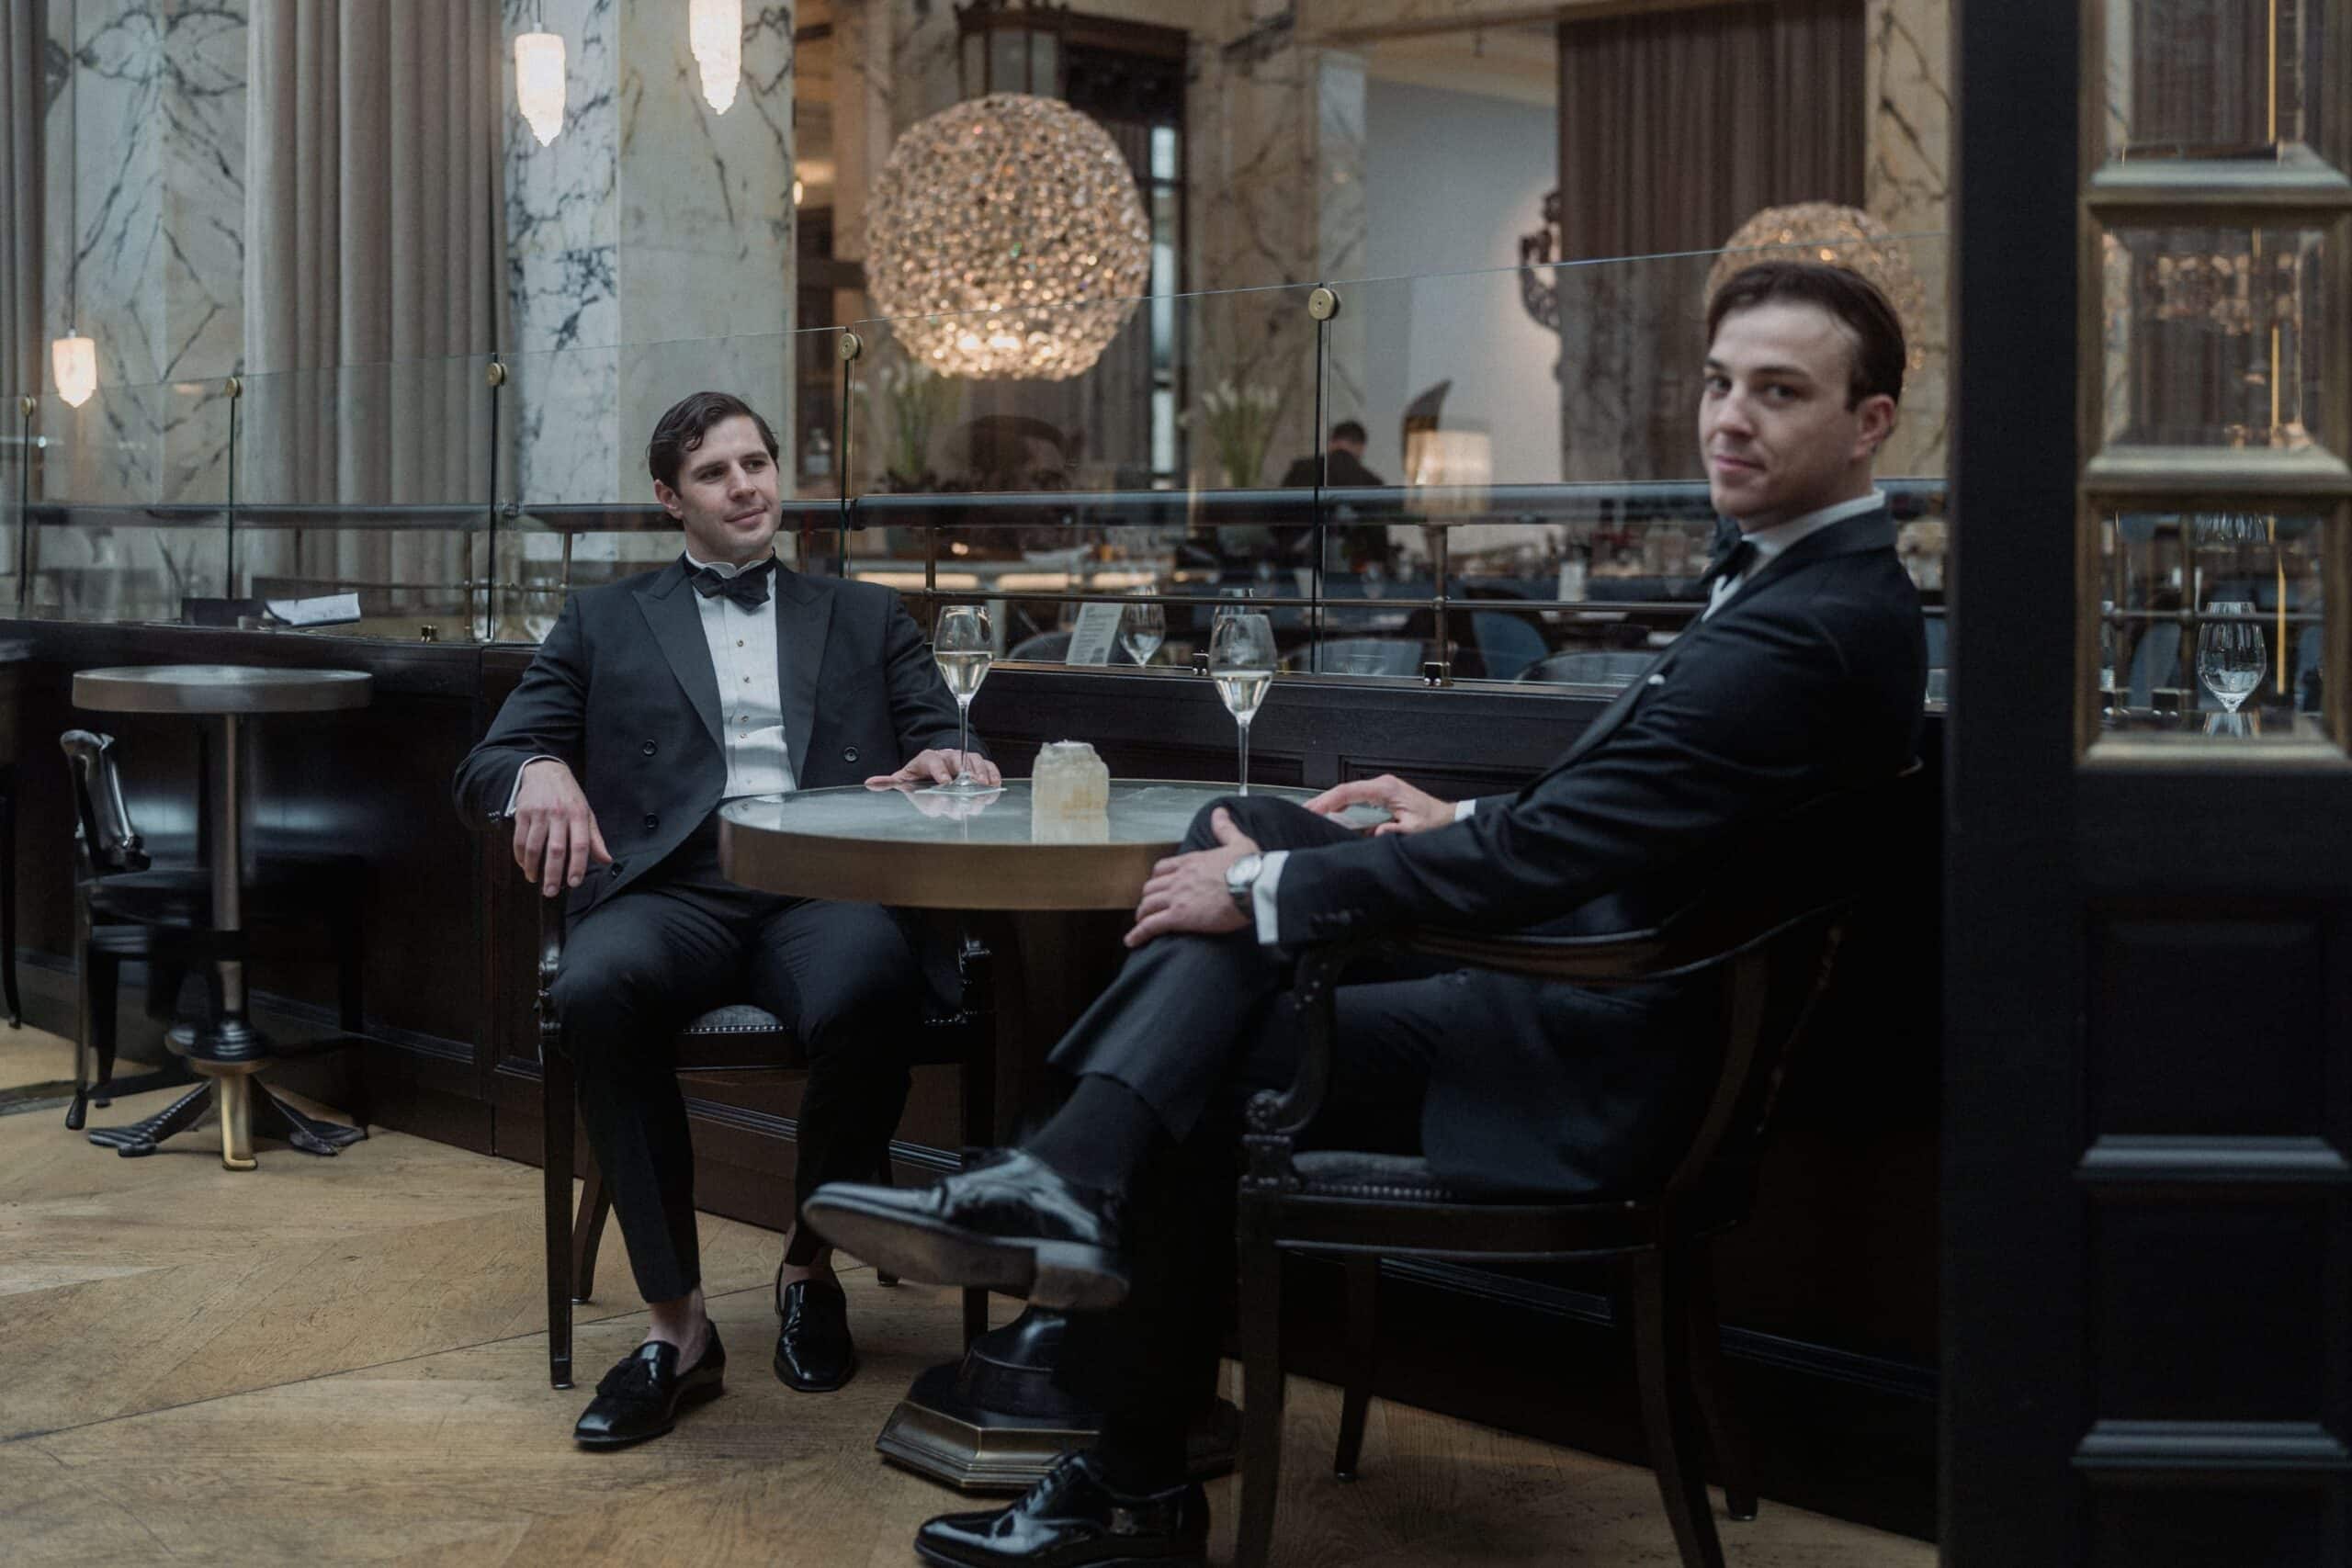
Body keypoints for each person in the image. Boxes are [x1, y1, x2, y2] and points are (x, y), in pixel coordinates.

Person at [806, 261, 1927, 1567]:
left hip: (1591, 1057)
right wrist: (1443, 818)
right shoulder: (1809, 588)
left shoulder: (1813, 625)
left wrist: (1263, 892)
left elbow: (1563, 850)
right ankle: (1071, 1192)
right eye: (1721, 382)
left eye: (1778, 391)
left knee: (1218, 1001)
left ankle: (1114, 1413)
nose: (1729, 416)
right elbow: (1641, 818)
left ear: (1870, 422)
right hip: (1580, 995)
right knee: (1253, 824)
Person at [452, 390, 1000, 1450]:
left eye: (757, 464)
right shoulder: (604, 619)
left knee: (873, 981)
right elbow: (490, 759)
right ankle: (678, 1325)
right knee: (594, 990)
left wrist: (947, 761)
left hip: (819, 886)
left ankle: (808, 1268)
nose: (745, 487)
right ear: (671, 498)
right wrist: (536, 770)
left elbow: (947, 739)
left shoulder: (867, 615)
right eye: (714, 472)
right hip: (673, 893)